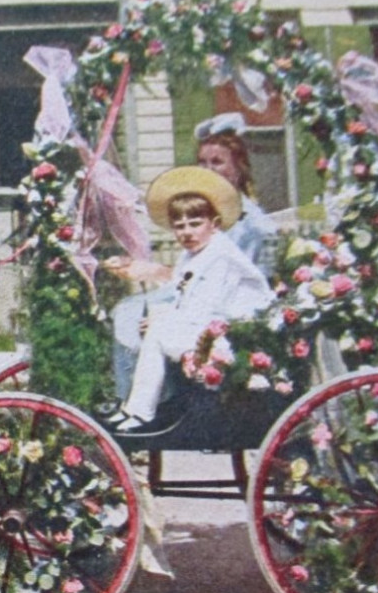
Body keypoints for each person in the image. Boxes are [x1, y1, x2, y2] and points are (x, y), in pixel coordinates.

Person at [110, 113, 278, 396]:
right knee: (128, 310)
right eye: (203, 162)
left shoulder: (249, 223)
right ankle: (141, 396)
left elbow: (223, 287)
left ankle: (149, 400)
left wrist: (169, 311)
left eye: (218, 162)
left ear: (238, 168)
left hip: (232, 310)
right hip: (202, 296)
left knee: (131, 313)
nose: (209, 169)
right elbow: (190, 274)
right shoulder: (209, 212)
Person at [104, 167, 273, 433]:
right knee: (143, 319)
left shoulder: (221, 256)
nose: (186, 233)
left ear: (214, 224)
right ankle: (138, 405)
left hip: (232, 337)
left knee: (158, 332)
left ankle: (142, 412)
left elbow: (205, 309)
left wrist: (165, 320)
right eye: (179, 226)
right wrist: (163, 315)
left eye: (195, 224)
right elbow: (181, 295)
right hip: (209, 329)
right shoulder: (192, 255)